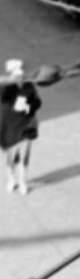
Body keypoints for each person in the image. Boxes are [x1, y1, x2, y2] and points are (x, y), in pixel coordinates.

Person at [1, 59, 41, 194]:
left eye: (21, 75)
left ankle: (23, 181)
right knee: (11, 156)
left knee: (24, 155)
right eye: (16, 76)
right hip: (9, 124)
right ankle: (12, 179)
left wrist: (28, 107)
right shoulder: (4, 88)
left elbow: (37, 102)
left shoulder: (29, 86)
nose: (20, 78)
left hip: (26, 124)